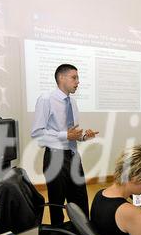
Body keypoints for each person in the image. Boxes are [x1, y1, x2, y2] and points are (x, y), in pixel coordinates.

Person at [31, 64, 99, 226]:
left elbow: (72, 134)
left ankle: (84, 234)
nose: (78, 82)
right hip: (55, 158)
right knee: (57, 203)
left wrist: (83, 136)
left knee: (80, 200)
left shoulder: (72, 103)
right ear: (61, 78)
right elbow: (37, 133)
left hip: (73, 157)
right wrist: (65, 135)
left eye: (78, 78)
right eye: (74, 78)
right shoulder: (46, 99)